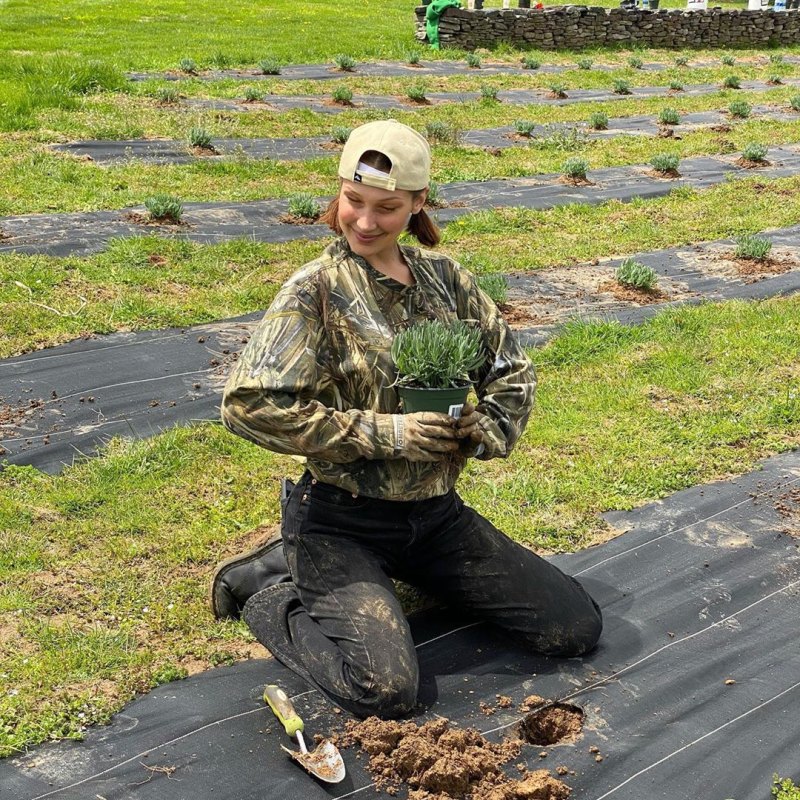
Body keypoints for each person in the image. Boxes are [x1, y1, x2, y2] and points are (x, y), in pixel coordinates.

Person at [213, 120, 602, 718]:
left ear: (419, 202)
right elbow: (248, 406)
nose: (365, 222)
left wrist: (485, 428)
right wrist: (387, 431)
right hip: (342, 519)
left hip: (436, 520)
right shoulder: (313, 291)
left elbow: (512, 369)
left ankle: (403, 574)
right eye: (354, 201)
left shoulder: (446, 281)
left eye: (387, 208)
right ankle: (269, 591)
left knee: (573, 629)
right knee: (386, 690)